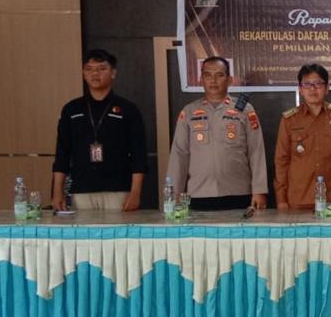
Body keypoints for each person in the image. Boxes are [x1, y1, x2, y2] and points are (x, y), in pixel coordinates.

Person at [166, 57, 267, 211]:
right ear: (201, 80)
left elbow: (256, 152)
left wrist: (259, 190)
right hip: (199, 194)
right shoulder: (189, 112)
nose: (213, 80)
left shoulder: (245, 110)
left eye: (219, 75)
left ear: (229, 80)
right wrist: (174, 194)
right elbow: (179, 155)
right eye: (207, 75)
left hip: (238, 192)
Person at [52, 49, 146, 212]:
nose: (95, 74)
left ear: (113, 73)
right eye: (89, 69)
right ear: (83, 73)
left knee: (119, 229)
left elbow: (139, 155)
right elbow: (62, 153)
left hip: (118, 189)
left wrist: (136, 192)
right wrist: (57, 192)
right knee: (82, 229)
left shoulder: (128, 109)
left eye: (102, 68)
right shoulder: (71, 109)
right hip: (82, 189)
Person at [274, 63, 331, 210]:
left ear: (327, 88)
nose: (312, 89)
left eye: (318, 84)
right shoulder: (289, 120)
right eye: (307, 84)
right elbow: (281, 161)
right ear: (300, 89)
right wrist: (281, 199)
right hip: (298, 200)